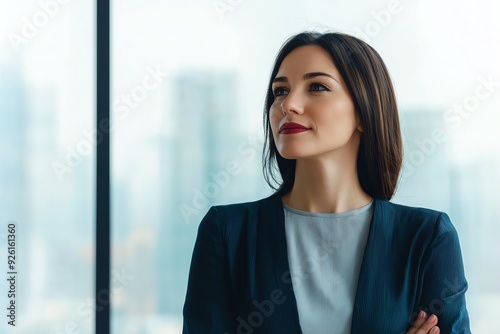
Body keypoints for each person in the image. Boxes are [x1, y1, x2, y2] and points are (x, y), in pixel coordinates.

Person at [182, 31, 471, 334]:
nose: (288, 104)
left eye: (317, 87)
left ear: (364, 111)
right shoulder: (227, 232)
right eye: (280, 91)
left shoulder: (427, 239)